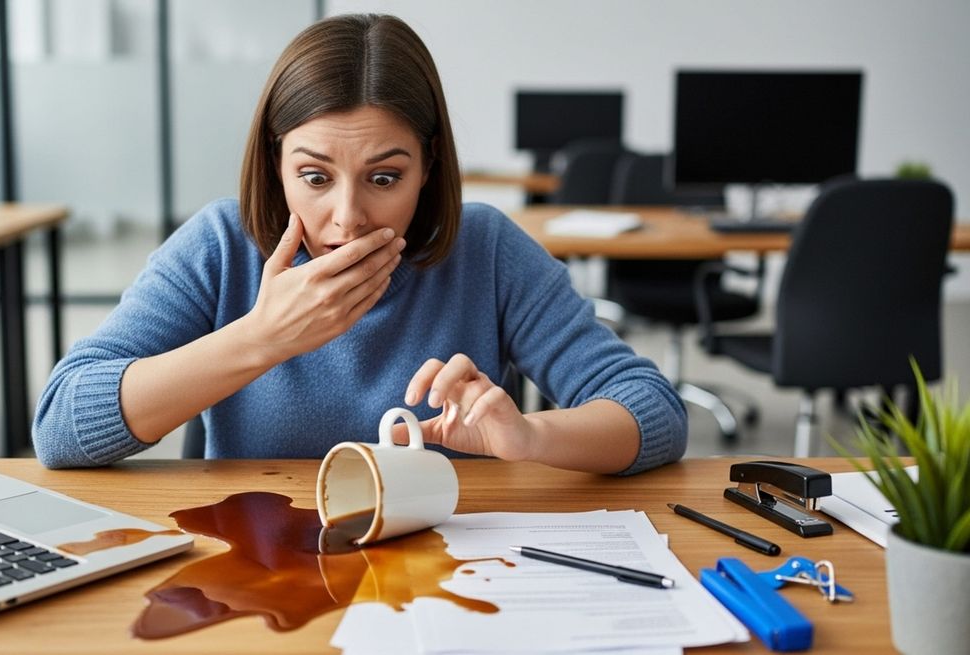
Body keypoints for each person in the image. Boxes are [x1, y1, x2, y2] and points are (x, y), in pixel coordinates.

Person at [33, 14, 686, 474]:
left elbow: (653, 411)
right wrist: (259, 339)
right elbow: (60, 425)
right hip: (261, 576)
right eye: (314, 176)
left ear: (427, 166)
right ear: (276, 162)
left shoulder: (483, 247)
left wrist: (530, 435)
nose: (347, 216)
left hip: (445, 580)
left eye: (384, 177)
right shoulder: (220, 245)